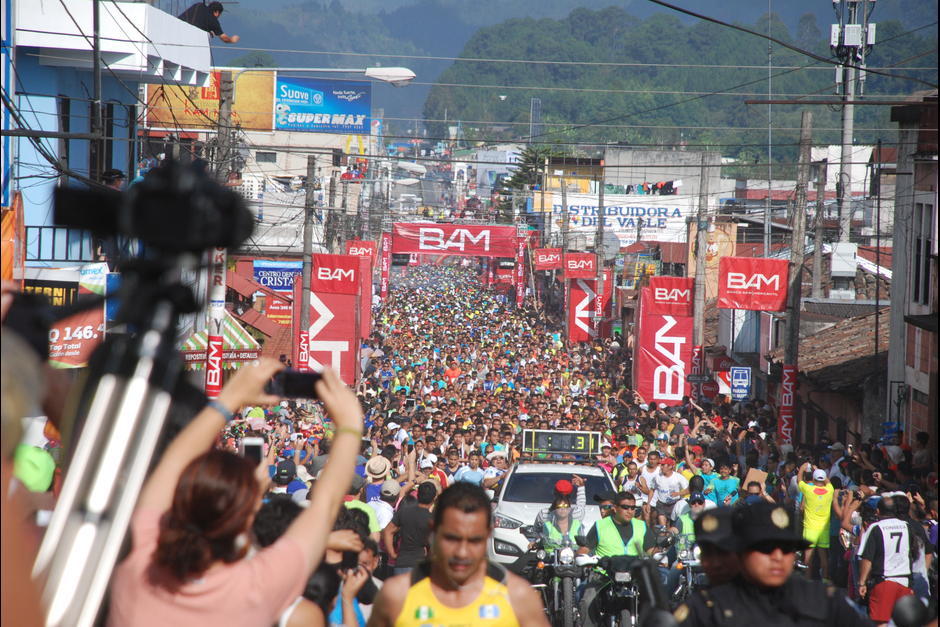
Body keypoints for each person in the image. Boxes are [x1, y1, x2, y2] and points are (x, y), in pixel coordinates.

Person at [108, 361, 364, 626]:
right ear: (246, 517)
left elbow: (171, 465)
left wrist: (228, 399)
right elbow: (326, 504)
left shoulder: (140, 555)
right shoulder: (256, 587)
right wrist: (350, 423)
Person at [368, 483, 547, 627]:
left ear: (488, 534)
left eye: (474, 541)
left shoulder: (518, 597)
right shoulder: (396, 596)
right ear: (433, 531)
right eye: (451, 539)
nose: (462, 552)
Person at [675, 502, 871, 627]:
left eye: (786, 549)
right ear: (740, 550)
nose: (777, 556)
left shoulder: (826, 601)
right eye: (766, 548)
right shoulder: (705, 609)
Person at [578, 492, 656, 627]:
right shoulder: (600, 525)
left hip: (634, 575)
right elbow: (585, 548)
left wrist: (660, 553)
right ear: (615, 507)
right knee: (588, 598)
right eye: (625, 507)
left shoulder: (641, 526)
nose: (630, 511)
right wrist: (581, 557)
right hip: (604, 574)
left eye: (633, 508)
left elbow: (651, 551)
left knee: (656, 596)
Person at [857, 495, 918, 626]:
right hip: (905, 580)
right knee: (903, 621)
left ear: (878, 511)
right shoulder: (906, 526)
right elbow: (914, 552)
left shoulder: (875, 527)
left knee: (881, 622)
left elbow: (867, 558)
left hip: (884, 581)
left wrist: (862, 583)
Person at [382, 481, 436, 575]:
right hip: (420, 565)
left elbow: (388, 531)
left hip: (401, 563)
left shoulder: (404, 512)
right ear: (434, 498)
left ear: (418, 495)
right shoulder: (431, 519)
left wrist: (392, 553)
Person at [798, 462, 835, 581]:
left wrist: (803, 469)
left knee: (808, 557)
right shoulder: (830, 490)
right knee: (823, 556)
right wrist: (818, 469)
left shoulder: (808, 489)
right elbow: (828, 482)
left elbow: (799, 480)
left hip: (810, 528)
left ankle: (807, 581)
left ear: (813, 478)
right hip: (824, 529)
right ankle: (825, 581)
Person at [691, 507, 740, 587]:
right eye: (707, 553)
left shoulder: (762, 598)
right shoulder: (700, 599)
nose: (716, 563)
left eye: (723, 552)